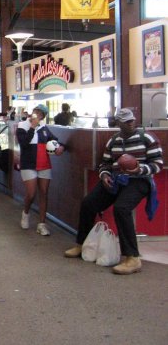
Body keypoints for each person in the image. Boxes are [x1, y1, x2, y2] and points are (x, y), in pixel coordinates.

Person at [64, 108, 163, 275]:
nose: (130, 123)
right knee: (89, 203)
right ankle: (82, 244)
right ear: (118, 123)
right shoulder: (113, 141)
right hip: (117, 179)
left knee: (121, 208)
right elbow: (105, 164)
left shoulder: (147, 137)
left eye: (131, 120)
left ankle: (132, 257)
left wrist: (139, 169)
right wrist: (104, 176)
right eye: (126, 122)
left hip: (139, 181)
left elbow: (157, 164)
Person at [16, 104, 64, 236]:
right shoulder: (22, 126)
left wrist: (60, 148)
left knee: (44, 193)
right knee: (31, 193)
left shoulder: (44, 128)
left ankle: (41, 224)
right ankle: (25, 213)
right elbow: (24, 143)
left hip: (44, 164)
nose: (37, 115)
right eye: (36, 112)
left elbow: (55, 141)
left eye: (41, 114)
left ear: (43, 116)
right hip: (28, 164)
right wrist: (32, 127)